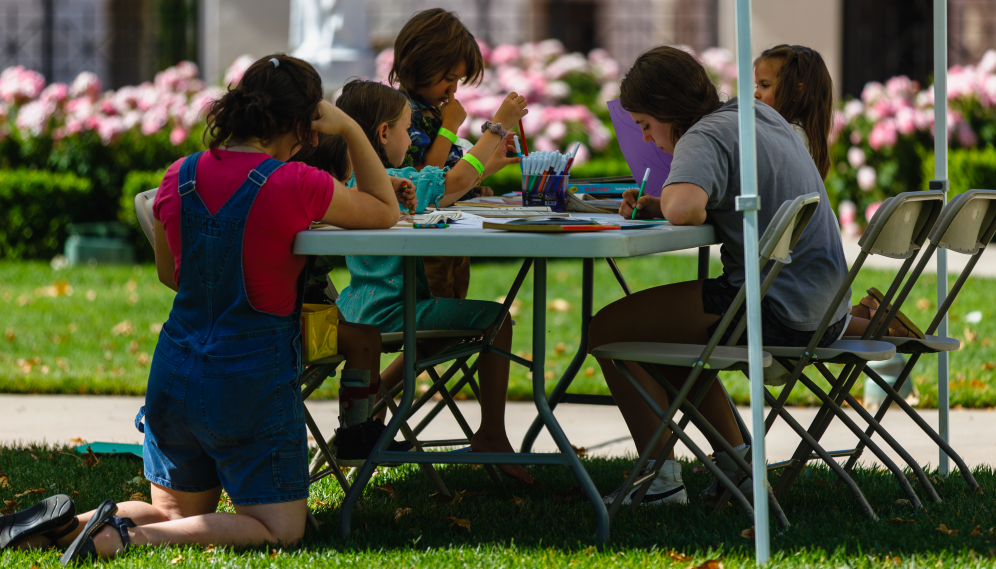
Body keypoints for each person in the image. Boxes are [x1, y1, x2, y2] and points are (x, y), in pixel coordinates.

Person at [0, 54, 398, 563]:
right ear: (302, 125)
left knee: (173, 514)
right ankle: (122, 537)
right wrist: (350, 128)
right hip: (249, 381)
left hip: (175, 370)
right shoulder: (296, 182)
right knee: (280, 529)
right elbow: (385, 211)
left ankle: (59, 524)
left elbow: (173, 276)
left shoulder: (179, 174)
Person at [590, 46, 852, 507]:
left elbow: (685, 208)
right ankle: (739, 470)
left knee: (608, 329)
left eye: (646, 125)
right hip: (826, 308)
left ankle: (659, 480)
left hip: (777, 308)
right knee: (667, 339)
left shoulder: (702, 134)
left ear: (669, 110)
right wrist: (667, 199)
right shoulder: (755, 115)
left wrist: (667, 193)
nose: (648, 140)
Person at [316, 78, 534, 484]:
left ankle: (377, 393)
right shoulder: (391, 181)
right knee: (498, 322)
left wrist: (484, 164)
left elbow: (452, 188)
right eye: (406, 128)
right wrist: (497, 126)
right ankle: (491, 434)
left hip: (357, 308)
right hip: (395, 311)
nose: (410, 138)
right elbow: (455, 182)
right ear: (383, 134)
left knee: (445, 329)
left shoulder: (349, 183)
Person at [754, 44, 923, 339]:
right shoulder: (804, 135)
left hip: (799, 281)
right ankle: (869, 317)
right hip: (824, 277)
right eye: (756, 85)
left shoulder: (782, 141)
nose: (755, 93)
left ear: (797, 91)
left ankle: (878, 326)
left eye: (765, 85)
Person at [390, 8, 491, 300]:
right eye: (448, 78)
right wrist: (449, 127)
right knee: (434, 324)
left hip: (446, 229)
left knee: (454, 313)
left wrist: (474, 182)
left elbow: (449, 175)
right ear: (419, 64)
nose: (453, 89)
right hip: (425, 239)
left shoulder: (430, 109)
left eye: (458, 79)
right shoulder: (403, 112)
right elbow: (426, 176)